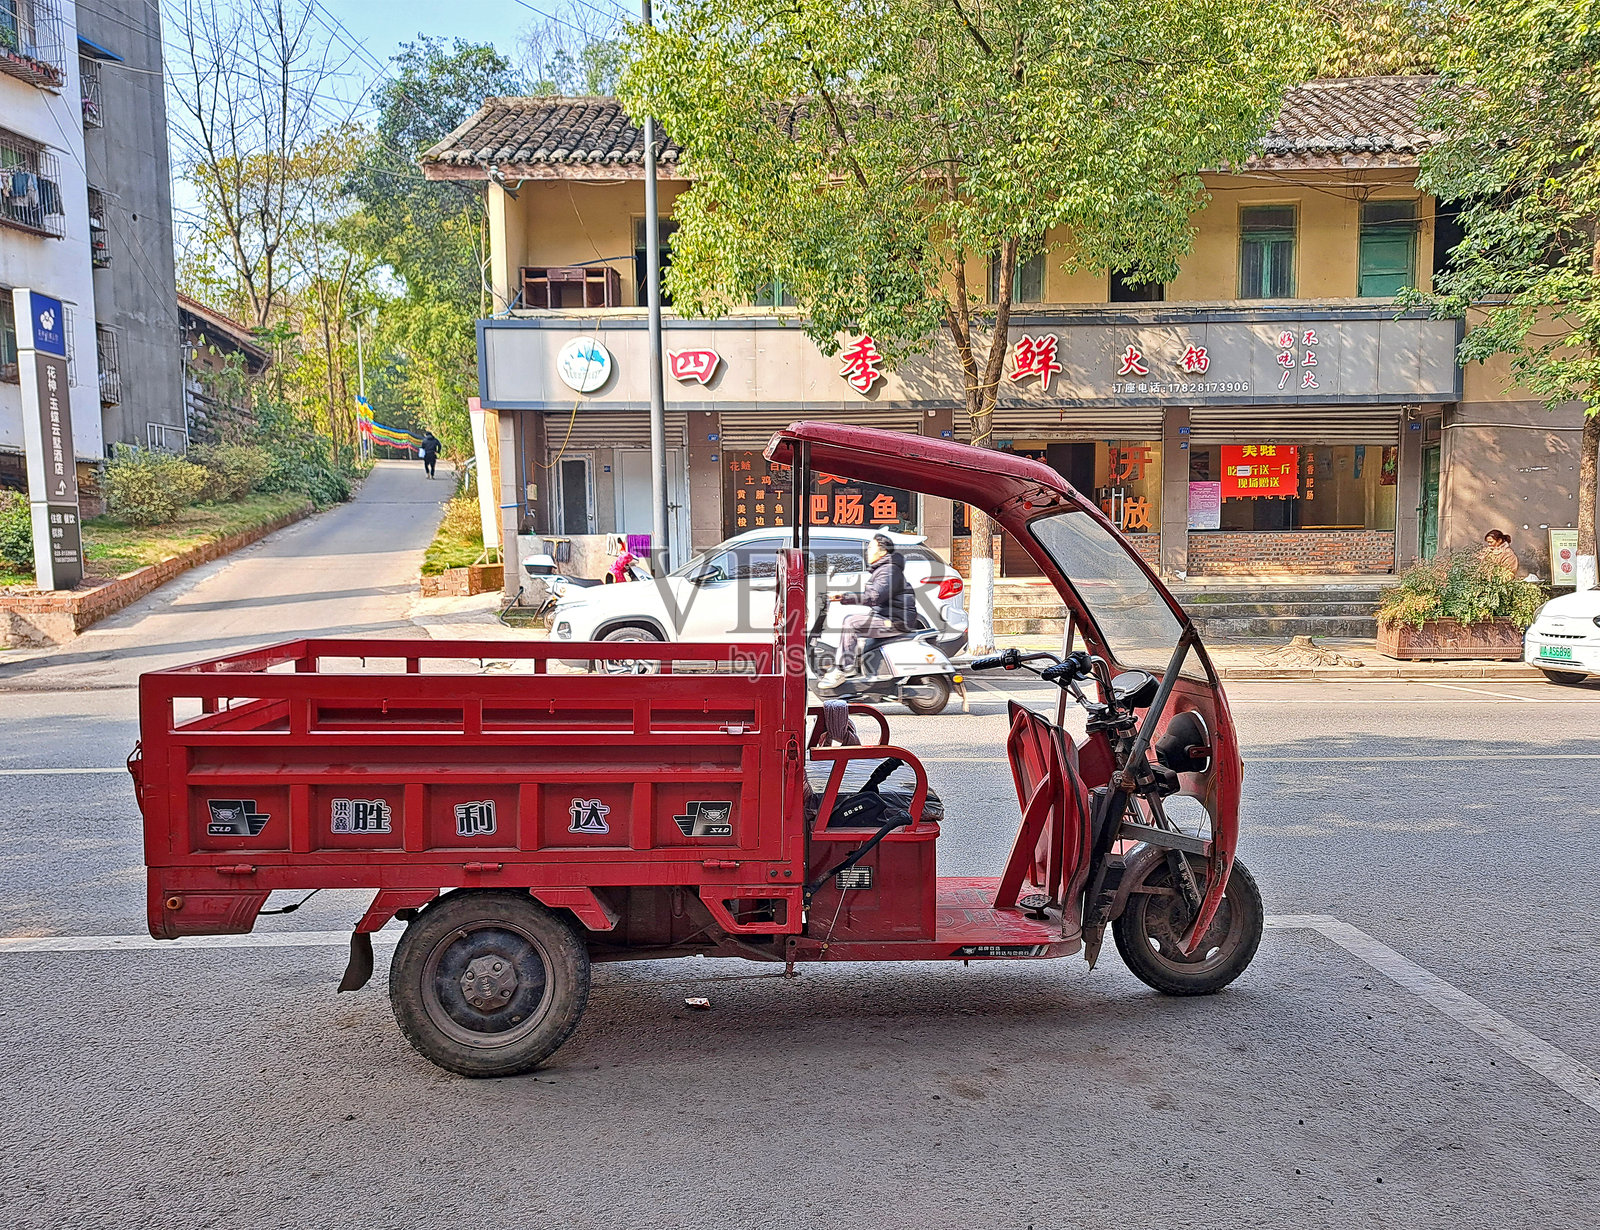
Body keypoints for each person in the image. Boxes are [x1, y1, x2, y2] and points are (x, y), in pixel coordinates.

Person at [821, 533, 917, 686]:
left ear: (883, 551)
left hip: (895, 621)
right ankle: (853, 667)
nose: (867, 552)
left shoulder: (889, 570)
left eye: (871, 548)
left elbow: (875, 596)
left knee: (851, 622)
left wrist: (844, 597)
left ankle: (841, 669)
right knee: (855, 624)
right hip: (888, 616)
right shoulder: (884, 569)